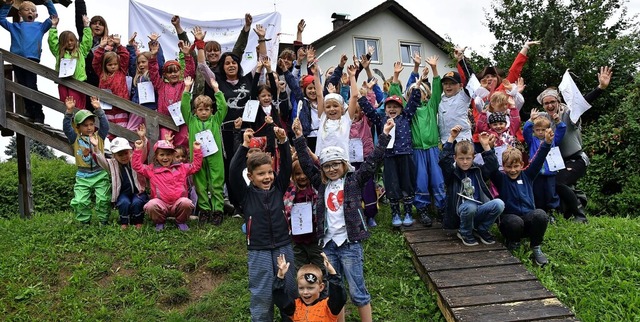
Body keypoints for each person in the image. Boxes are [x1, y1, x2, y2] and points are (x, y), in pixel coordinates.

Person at [292, 117, 396, 322]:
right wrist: (298, 137)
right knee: (334, 292)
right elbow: (305, 162)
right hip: (329, 245)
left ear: (344, 164)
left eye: (335, 165)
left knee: (358, 291)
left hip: (349, 244)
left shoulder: (354, 181)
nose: (331, 169)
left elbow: (372, 161)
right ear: (322, 168)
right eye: (327, 166)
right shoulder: (321, 185)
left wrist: (384, 135)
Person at [229, 126, 296, 322]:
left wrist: (283, 142)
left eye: (269, 173)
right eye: (261, 174)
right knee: (263, 295)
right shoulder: (245, 194)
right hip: (259, 249)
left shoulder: (278, 188)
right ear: (250, 177)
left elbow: (286, 168)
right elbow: (233, 171)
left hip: (283, 245)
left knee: (290, 290)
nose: (267, 177)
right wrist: (244, 146)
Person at [536, 66, 613, 223]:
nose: (550, 106)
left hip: (576, 159)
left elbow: (583, 102)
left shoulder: (570, 113)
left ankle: (580, 215)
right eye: (546, 103)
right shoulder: (544, 118)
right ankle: (562, 209)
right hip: (556, 162)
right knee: (545, 182)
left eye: (552, 102)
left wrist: (600, 88)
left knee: (559, 182)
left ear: (559, 102)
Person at [359, 61, 421, 227]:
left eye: (396, 107)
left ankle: (408, 212)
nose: (392, 109)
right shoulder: (381, 119)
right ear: (385, 109)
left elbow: (414, 102)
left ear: (401, 109)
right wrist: (360, 97)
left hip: (405, 154)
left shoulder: (405, 117)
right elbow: (369, 111)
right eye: (389, 107)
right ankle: (395, 214)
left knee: (407, 183)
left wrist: (417, 86)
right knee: (392, 184)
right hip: (389, 156)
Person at [490, 128, 555, 267]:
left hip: (527, 219)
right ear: (504, 167)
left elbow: (538, 159)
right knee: (514, 222)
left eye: (516, 166)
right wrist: (488, 148)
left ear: (522, 165)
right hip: (510, 221)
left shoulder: (528, 175)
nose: (513, 170)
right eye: (509, 167)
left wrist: (547, 143)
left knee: (541, 215)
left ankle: (536, 246)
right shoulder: (501, 179)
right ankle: (514, 242)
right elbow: (491, 167)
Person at [439, 126, 505, 246]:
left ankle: (482, 229)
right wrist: (451, 138)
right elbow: (443, 160)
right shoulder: (452, 173)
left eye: (468, 158)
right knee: (470, 206)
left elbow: (493, 166)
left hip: (478, 210)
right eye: (461, 159)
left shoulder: (477, 170)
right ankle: (464, 231)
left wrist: (486, 146)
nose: (465, 162)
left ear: (473, 157)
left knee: (499, 204)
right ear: (455, 158)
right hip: (460, 213)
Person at [404, 54, 446, 226]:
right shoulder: (409, 111)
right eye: (415, 92)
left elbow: (437, 90)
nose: (418, 94)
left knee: (438, 178)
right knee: (420, 180)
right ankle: (422, 209)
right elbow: (396, 95)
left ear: (426, 95)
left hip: (433, 149)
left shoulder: (431, 106)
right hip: (417, 150)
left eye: (421, 91)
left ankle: (442, 208)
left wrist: (435, 69)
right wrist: (412, 78)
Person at [180, 75, 227, 225]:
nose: (204, 112)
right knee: (200, 184)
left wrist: (216, 90)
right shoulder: (191, 121)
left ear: (211, 110)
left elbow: (223, 107)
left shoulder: (215, 120)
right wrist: (186, 89)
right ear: (195, 111)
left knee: (216, 183)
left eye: (207, 109)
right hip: (198, 157)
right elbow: (184, 107)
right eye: (200, 110)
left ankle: (218, 210)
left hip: (215, 156)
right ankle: (204, 210)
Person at [0, 0, 57, 123]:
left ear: (36, 15)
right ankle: (29, 111)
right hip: (16, 60)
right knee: (22, 86)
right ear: (20, 13)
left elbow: (54, 17)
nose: (30, 12)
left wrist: (48, 3)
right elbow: (1, 19)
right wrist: (7, 5)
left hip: (32, 60)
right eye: (27, 10)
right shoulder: (15, 26)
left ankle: (38, 113)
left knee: (31, 86)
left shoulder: (40, 26)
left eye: (33, 10)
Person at [132, 139, 202, 232]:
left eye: (168, 154)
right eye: (162, 154)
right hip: (161, 204)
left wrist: (197, 150)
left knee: (186, 202)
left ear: (173, 155)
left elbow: (195, 167)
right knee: (151, 205)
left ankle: (181, 221)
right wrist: (138, 149)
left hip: (178, 203)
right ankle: (159, 222)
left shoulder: (181, 167)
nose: (165, 157)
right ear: (156, 156)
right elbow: (137, 166)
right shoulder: (151, 169)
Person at [62, 96, 110, 224]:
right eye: (85, 125)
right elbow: (67, 128)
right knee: (80, 201)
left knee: (103, 199)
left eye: (91, 124)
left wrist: (99, 110)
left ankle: (103, 221)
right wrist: (69, 112)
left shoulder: (99, 136)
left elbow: (105, 125)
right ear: (78, 127)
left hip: (100, 173)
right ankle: (84, 223)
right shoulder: (75, 138)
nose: (89, 128)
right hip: (83, 176)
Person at [94, 126, 150, 229]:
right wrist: (96, 148)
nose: (124, 157)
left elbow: (144, 152)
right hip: (122, 193)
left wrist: (143, 139)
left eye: (126, 153)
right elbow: (101, 161)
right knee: (124, 202)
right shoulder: (112, 164)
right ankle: (124, 221)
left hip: (138, 192)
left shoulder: (135, 160)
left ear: (130, 152)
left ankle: (138, 220)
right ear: (114, 156)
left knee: (137, 202)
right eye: (120, 155)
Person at [273, 253, 347, 322]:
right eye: (301, 288)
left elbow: (339, 297)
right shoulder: (295, 307)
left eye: (310, 288)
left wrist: (333, 274)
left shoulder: (328, 307)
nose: (305, 292)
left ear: (321, 287)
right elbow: (280, 298)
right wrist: (280, 276)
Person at [148, 38, 195, 147]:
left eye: (175, 71)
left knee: (183, 143)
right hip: (165, 121)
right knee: (166, 145)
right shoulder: (160, 85)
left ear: (180, 72)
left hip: (182, 121)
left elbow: (190, 72)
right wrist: (153, 57)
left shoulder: (184, 84)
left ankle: (182, 163)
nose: (173, 74)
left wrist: (187, 56)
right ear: (164, 75)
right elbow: (153, 73)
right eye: (169, 72)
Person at [523, 109, 566, 214]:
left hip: (550, 171)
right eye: (537, 130)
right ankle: (540, 212)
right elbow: (525, 131)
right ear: (534, 130)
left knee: (551, 193)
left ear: (549, 129)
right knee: (537, 193)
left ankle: (553, 211)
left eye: (543, 129)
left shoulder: (553, 140)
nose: (541, 132)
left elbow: (562, 130)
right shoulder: (532, 141)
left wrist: (557, 121)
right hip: (536, 173)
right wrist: (531, 119)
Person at [283, 158, 322, 271]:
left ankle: (322, 288)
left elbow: (320, 170)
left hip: (315, 238)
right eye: (298, 174)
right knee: (300, 268)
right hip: (297, 239)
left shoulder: (316, 189)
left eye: (305, 172)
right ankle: (304, 288)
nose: (302, 176)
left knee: (320, 267)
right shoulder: (289, 192)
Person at [48, 14, 92, 109]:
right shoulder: (59, 52)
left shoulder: (80, 52)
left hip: (78, 82)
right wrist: (53, 27)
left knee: (78, 106)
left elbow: (87, 42)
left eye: (72, 40)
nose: (70, 43)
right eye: (67, 41)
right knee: (65, 105)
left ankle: (78, 122)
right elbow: (52, 42)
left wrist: (86, 26)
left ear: (75, 41)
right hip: (63, 82)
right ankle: (68, 120)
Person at [92, 33, 130, 129]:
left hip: (121, 108)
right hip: (106, 109)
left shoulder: (121, 71)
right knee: (107, 133)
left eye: (115, 64)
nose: (113, 66)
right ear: (105, 65)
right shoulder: (102, 73)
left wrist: (119, 45)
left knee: (122, 133)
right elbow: (96, 62)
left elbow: (125, 56)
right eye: (110, 65)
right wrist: (101, 47)